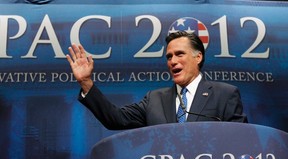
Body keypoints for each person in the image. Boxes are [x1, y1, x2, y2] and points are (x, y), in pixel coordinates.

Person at [66, 31, 248, 130]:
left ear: (198, 57)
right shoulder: (155, 99)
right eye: (169, 57)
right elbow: (116, 119)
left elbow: (242, 142)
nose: (172, 61)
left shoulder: (225, 94)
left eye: (179, 54)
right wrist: (86, 83)